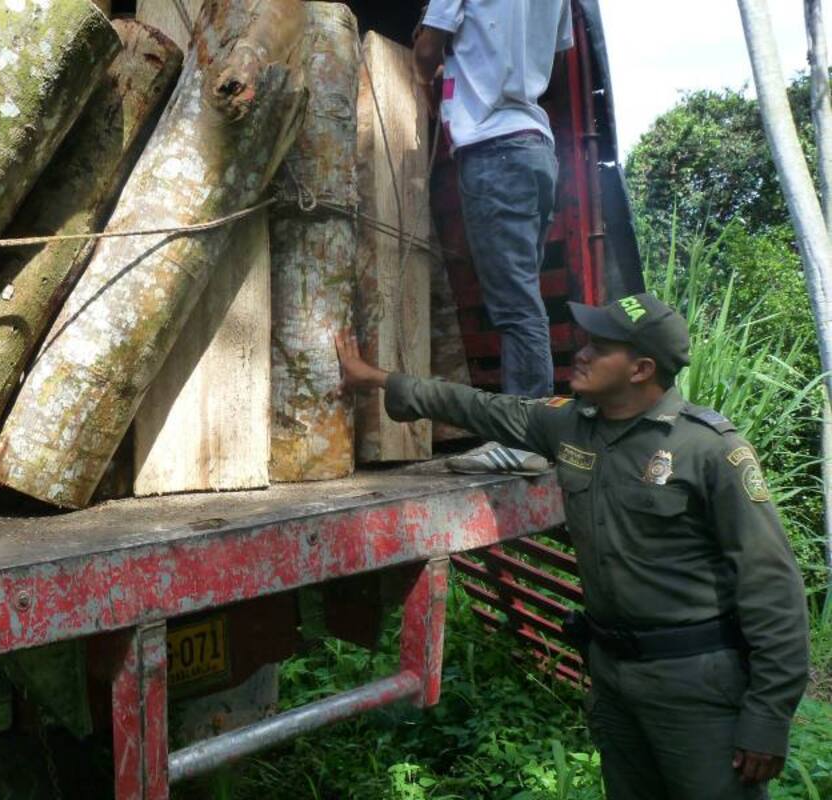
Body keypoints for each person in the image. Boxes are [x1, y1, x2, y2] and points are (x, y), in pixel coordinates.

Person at [336, 292, 810, 800]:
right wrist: (379, 380)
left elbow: (773, 588)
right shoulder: (572, 425)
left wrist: (767, 716)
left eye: (599, 346)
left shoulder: (709, 450)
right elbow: (481, 407)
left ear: (641, 369)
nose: (580, 353)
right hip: (612, 675)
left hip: (693, 683)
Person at [413, 0, 574, 473]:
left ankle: (522, 437)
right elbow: (558, 57)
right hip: (534, 147)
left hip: (493, 149)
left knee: (514, 304)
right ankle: (525, 430)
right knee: (522, 297)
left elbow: (426, 50)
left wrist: (428, 84)